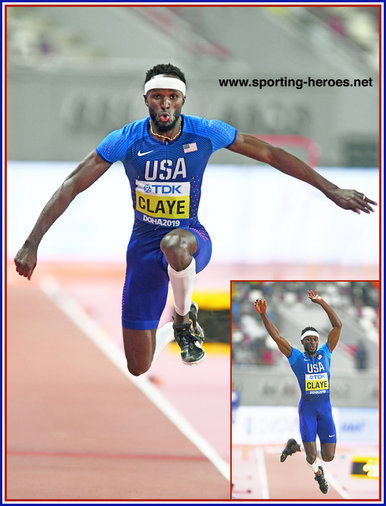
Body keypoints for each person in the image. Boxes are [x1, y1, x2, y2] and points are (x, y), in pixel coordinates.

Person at [14, 62, 374, 376]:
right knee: (139, 366)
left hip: (191, 240)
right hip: (142, 251)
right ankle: (176, 323)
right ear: (146, 101)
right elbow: (71, 185)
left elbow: (270, 153)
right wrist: (32, 243)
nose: (165, 103)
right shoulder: (125, 140)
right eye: (157, 97)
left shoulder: (205, 132)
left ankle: (184, 318)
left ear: (183, 99)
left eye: (172, 96)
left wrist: (331, 190)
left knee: (175, 243)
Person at [254, 290, 342, 494]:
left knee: (329, 456)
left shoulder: (326, 353)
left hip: (325, 411)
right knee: (311, 458)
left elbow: (338, 326)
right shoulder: (297, 359)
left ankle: (294, 446)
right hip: (308, 412)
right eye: (308, 339)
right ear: (302, 343)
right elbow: (276, 336)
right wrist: (263, 315)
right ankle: (318, 474)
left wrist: (321, 302)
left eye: (314, 339)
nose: (312, 342)